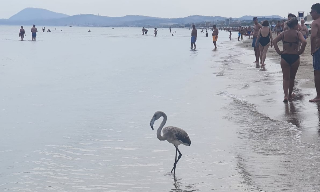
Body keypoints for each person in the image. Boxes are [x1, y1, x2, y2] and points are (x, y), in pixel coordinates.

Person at [273, 18, 307, 102]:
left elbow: (274, 41)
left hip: (285, 56)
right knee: (292, 78)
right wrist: (300, 51)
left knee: (285, 78)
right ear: (295, 25)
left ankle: (285, 95)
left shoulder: (283, 33)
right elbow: (304, 42)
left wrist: (279, 52)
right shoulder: (297, 33)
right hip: (295, 56)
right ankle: (290, 94)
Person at [309, 3, 320, 102]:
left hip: (318, 49)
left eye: (311, 12)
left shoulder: (315, 22)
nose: (311, 14)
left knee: (317, 72)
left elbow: (313, 36)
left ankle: (318, 96)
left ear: (316, 12)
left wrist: (312, 49)